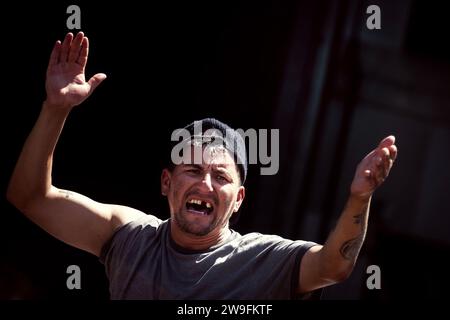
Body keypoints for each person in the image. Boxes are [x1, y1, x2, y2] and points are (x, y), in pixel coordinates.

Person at [7, 32, 397, 299]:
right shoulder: (128, 238)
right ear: (166, 182)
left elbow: (333, 266)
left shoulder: (264, 260)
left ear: (239, 198)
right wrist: (55, 110)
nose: (205, 183)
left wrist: (359, 197)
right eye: (192, 170)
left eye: (221, 176)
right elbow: (29, 197)